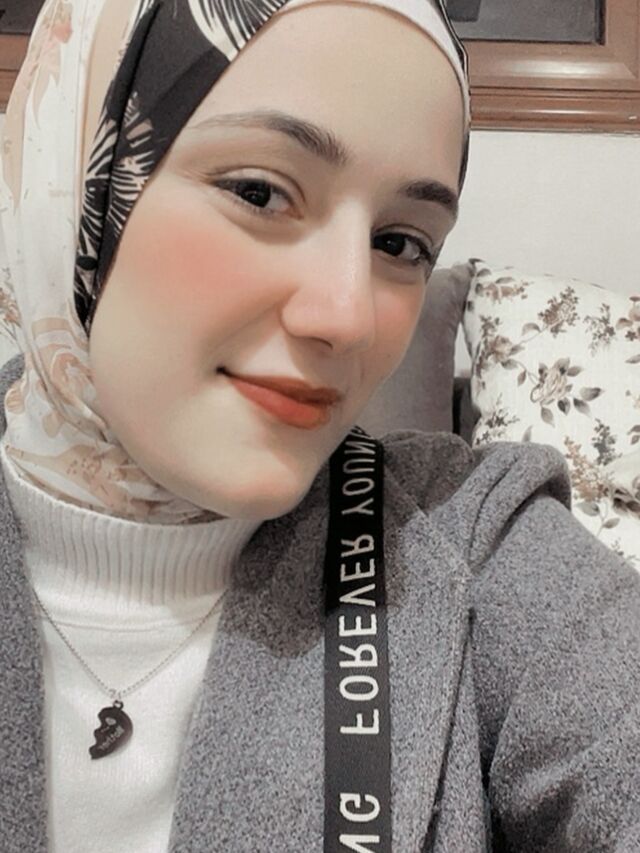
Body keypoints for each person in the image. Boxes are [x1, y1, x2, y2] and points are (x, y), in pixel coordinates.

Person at [0, 0, 638, 851]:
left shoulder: (473, 538)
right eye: (259, 192)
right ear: (78, 179)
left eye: (401, 243)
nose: (347, 317)